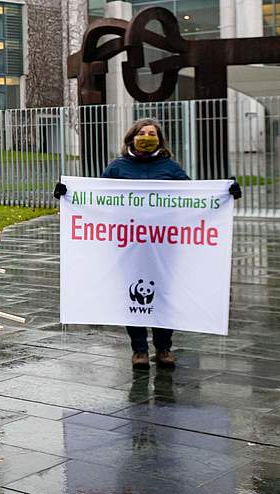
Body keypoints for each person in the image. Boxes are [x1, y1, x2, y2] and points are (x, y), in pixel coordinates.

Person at [54, 118, 242, 370]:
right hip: (128, 243)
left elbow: (195, 199)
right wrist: (68, 194)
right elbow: (97, 197)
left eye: (151, 133)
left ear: (159, 140)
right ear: (132, 137)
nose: (146, 136)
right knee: (132, 294)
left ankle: (164, 348)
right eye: (142, 132)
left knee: (163, 296)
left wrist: (224, 193)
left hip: (165, 245)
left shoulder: (171, 168)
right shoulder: (118, 168)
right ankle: (139, 350)